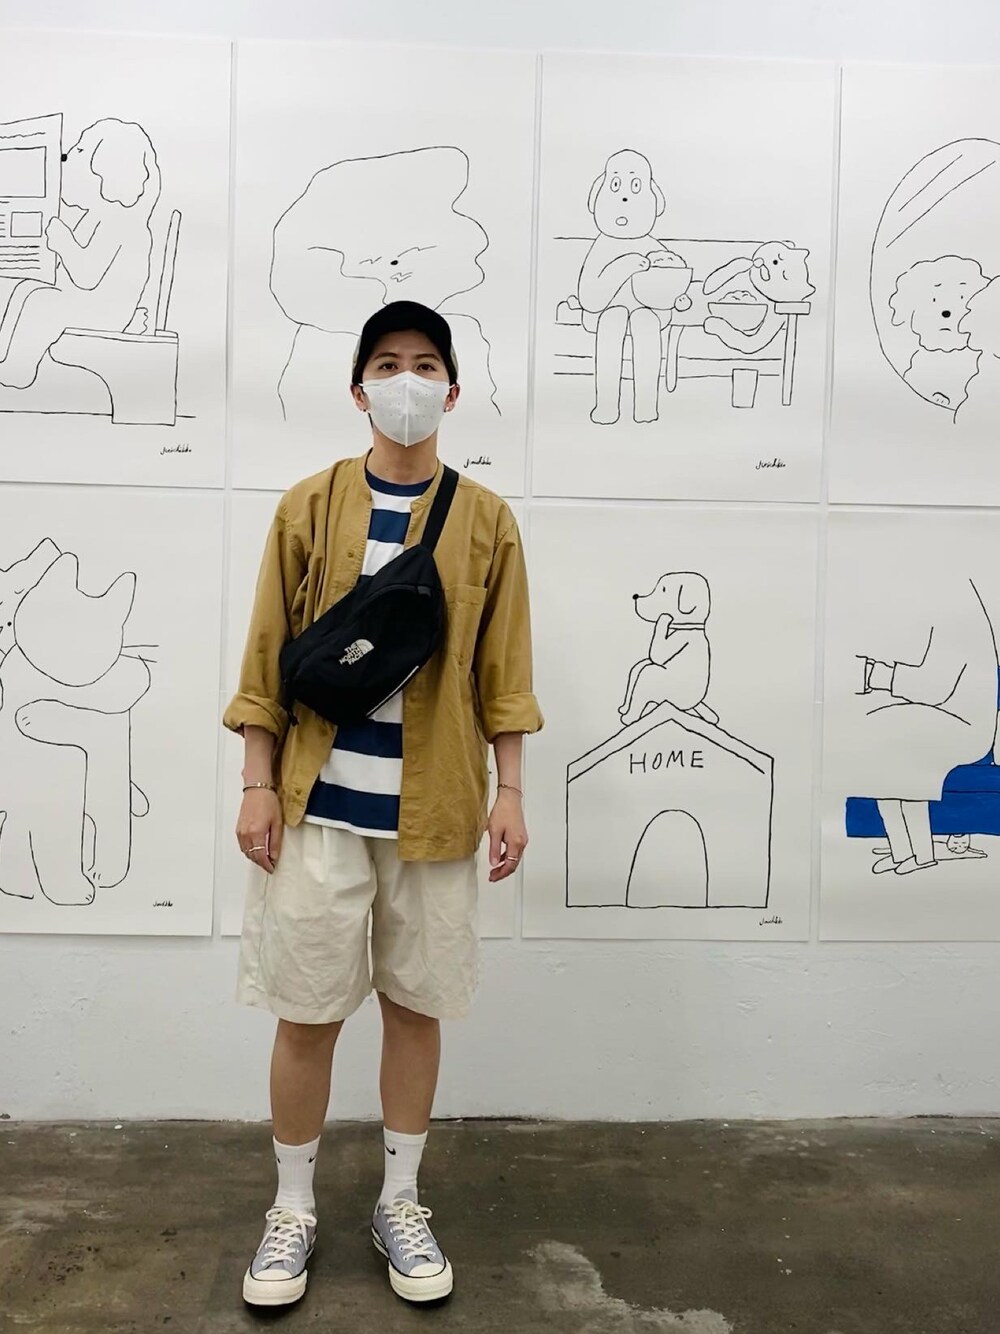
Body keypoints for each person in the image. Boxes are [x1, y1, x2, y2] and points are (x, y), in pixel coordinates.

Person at [222, 299, 542, 1308]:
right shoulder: (308, 506)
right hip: (316, 808)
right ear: (360, 390)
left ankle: (400, 1200)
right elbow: (266, 657)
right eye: (389, 363)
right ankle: (292, 1208)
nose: (408, 381)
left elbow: (505, 672)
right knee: (306, 1012)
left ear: (453, 389)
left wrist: (511, 791)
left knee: (415, 1007)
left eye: (426, 364)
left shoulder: (486, 520)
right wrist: (256, 783)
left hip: (435, 811)